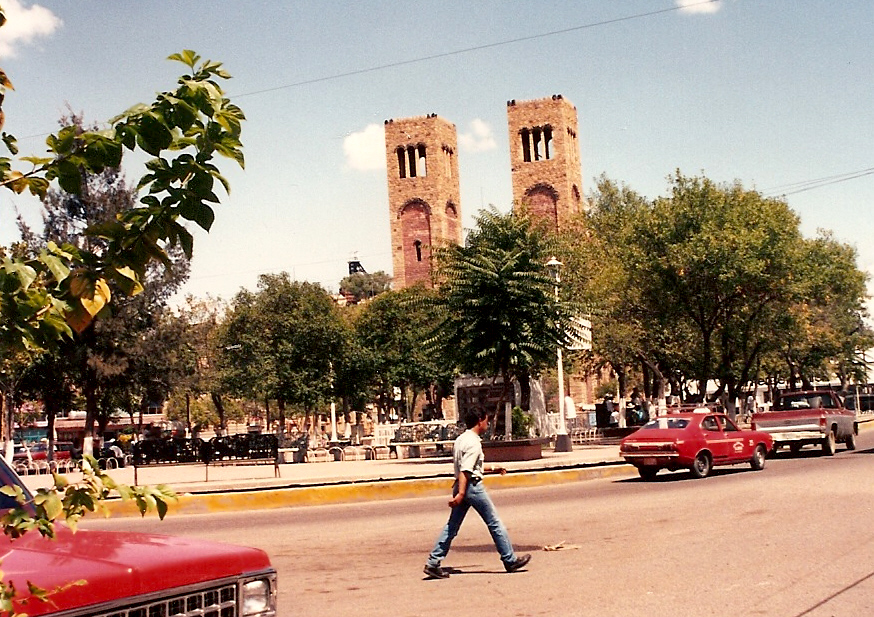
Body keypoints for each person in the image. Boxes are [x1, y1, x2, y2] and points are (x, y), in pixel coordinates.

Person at [423, 408, 531, 579]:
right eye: (486, 421)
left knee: (452, 527)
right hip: (471, 487)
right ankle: (509, 560)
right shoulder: (474, 443)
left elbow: (471, 468)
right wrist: (461, 494)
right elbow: (466, 471)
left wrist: (494, 469)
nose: (487, 424)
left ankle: (433, 562)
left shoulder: (461, 440)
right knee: (494, 522)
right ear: (480, 420)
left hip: (462, 485)